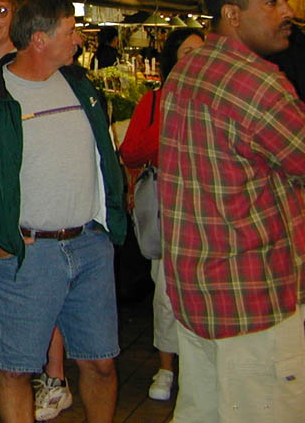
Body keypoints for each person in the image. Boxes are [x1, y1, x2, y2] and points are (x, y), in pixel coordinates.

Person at [0, 0, 126, 423]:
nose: (78, 40)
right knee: (15, 371)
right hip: (25, 257)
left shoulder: (83, 87)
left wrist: (107, 224)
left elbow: (106, 156)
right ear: (39, 39)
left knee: (101, 362)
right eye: (69, 31)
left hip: (89, 249)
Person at [160, 0, 305, 423]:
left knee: (203, 410)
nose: (287, 11)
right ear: (232, 15)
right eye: (272, 0)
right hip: (254, 299)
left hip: (198, 294)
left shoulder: (188, 70)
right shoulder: (257, 83)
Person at [0, 0, 73, 421]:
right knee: (1, 285)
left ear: (15, 17)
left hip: (35, 185)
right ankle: (8, 371)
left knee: (46, 286)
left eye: (1, 11)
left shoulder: (30, 55)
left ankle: (54, 379)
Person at [118, 27, 204, 402]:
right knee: (167, 295)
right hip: (168, 212)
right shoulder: (153, 102)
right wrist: (172, 124)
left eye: (201, 53)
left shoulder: (219, 101)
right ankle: (167, 368)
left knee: (205, 295)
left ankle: (200, 369)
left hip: (210, 216)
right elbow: (131, 152)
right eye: (187, 52)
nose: (194, 60)